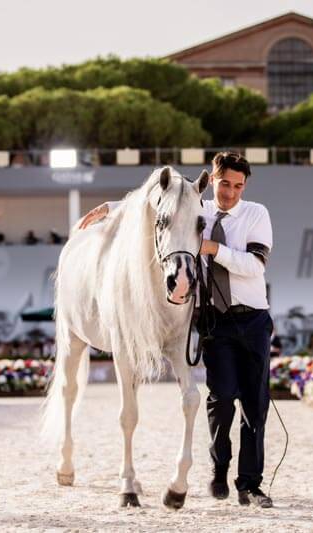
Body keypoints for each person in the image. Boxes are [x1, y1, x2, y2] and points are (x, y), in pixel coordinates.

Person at [78, 152, 275, 508]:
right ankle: (219, 472)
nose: (230, 191)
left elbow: (256, 264)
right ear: (211, 182)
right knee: (220, 401)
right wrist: (110, 207)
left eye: (238, 185)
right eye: (225, 183)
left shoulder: (255, 214)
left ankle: (251, 483)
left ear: (244, 187)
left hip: (252, 319)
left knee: (255, 405)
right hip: (214, 320)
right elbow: (152, 206)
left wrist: (212, 248)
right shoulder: (195, 209)